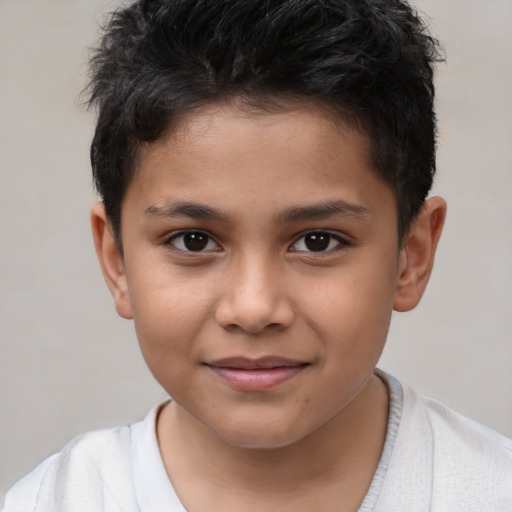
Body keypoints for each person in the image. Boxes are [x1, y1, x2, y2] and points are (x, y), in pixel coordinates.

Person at [3, 0, 512, 510]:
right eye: (193, 240)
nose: (253, 309)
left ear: (412, 256)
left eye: (318, 241)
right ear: (117, 262)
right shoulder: (56, 500)